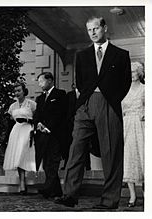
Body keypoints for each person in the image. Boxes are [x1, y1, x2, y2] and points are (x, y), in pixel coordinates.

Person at [55, 16, 131, 209]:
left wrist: (111, 99)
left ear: (104, 28)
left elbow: (125, 83)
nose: (93, 32)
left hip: (108, 104)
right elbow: (80, 81)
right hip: (85, 105)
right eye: (89, 30)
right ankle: (70, 195)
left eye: (96, 28)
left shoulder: (121, 54)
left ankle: (109, 200)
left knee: (111, 153)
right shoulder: (82, 55)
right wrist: (84, 100)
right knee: (76, 150)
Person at [34, 72, 66, 199]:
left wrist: (48, 127)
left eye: (41, 81)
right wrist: (38, 124)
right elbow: (37, 114)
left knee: (53, 162)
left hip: (55, 135)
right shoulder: (40, 98)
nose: (39, 84)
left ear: (50, 80)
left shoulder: (60, 94)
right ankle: (55, 190)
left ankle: (48, 187)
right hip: (43, 135)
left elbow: (60, 113)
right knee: (47, 162)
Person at [3, 82, 37, 194]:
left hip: (28, 129)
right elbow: (10, 122)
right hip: (17, 131)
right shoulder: (12, 106)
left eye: (19, 91)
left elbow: (37, 118)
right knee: (18, 156)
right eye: (15, 91)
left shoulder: (31, 104)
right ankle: (22, 182)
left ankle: (34, 178)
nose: (17, 93)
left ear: (24, 91)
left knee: (25, 154)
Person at [122, 61, 145, 207]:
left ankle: (146, 193)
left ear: (140, 73)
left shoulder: (145, 89)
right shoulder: (123, 90)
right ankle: (132, 196)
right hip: (127, 126)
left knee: (143, 157)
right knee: (129, 158)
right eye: (130, 72)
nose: (132, 75)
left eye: (135, 71)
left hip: (141, 126)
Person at [62, 84, 92, 170]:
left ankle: (87, 166)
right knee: (70, 145)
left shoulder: (86, 93)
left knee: (84, 143)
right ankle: (67, 165)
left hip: (83, 122)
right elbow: (66, 109)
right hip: (70, 124)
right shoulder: (69, 95)